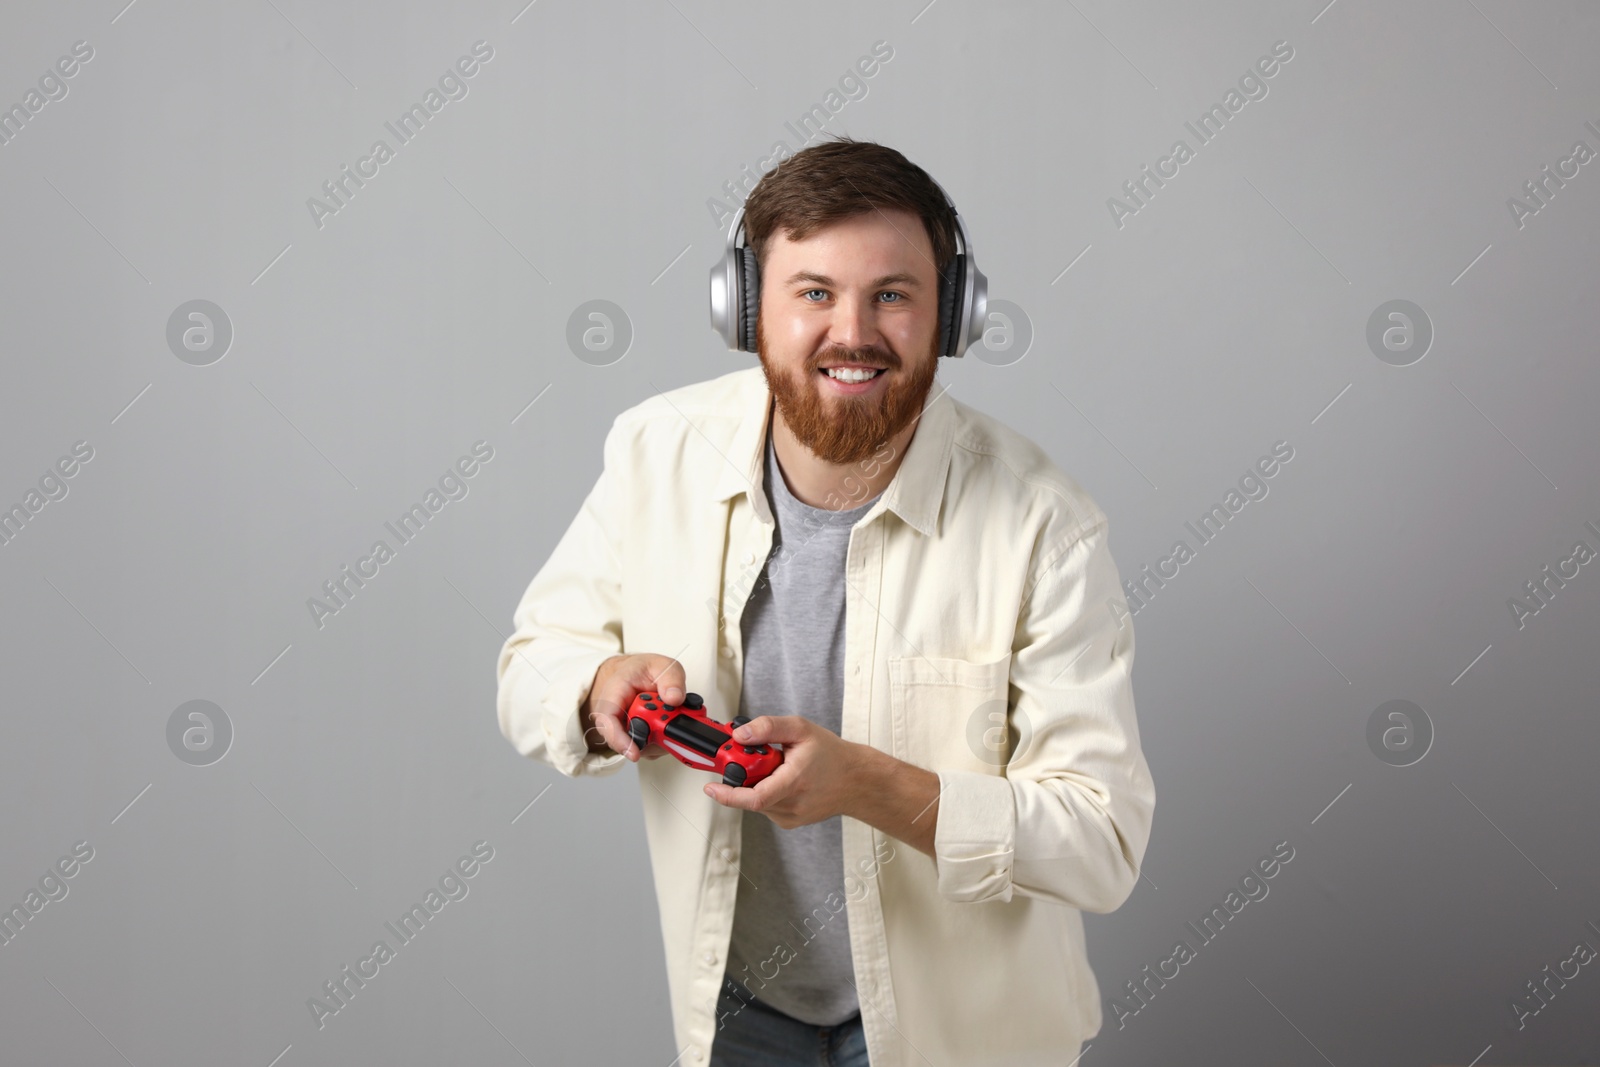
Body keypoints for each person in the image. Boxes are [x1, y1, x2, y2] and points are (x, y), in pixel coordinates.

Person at [496, 136, 1155, 1067]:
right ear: (745, 309)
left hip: (961, 1039)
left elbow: (1101, 839)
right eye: (813, 292)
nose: (854, 332)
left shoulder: (1046, 524)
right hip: (738, 1011)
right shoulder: (655, 452)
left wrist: (869, 786)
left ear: (950, 315)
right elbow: (532, 667)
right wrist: (597, 691)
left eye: (893, 293)